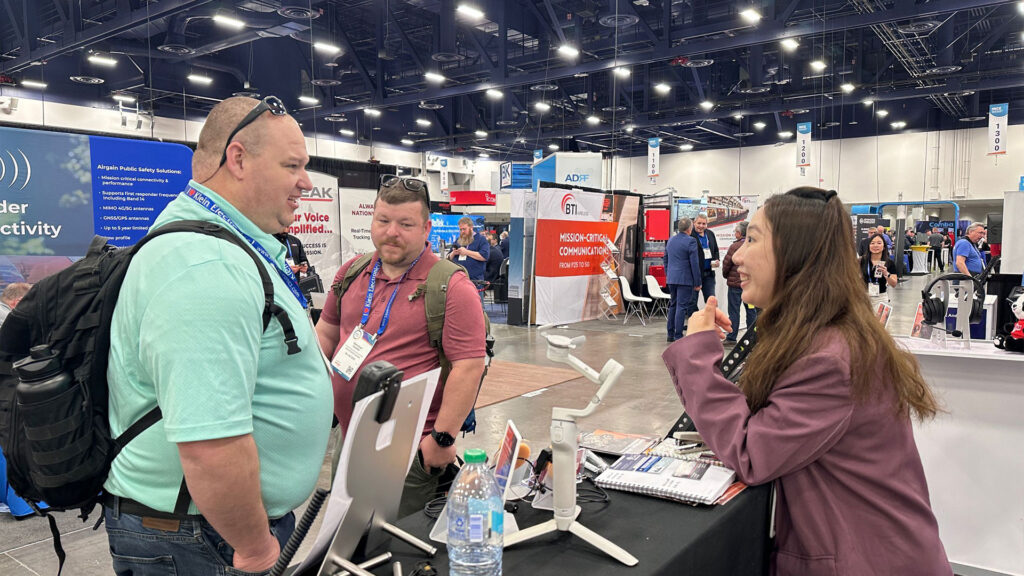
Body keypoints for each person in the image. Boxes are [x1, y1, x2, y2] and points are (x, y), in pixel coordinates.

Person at [662, 187, 951, 576]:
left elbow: (752, 451)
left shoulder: (829, 359)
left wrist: (696, 353)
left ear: (794, 254)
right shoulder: (820, 335)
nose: (739, 256)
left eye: (752, 239)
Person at [103, 96, 334, 575]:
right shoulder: (204, 266)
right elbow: (211, 445)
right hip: (205, 538)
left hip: (210, 530)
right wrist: (254, 547)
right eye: (292, 165)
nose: (306, 182)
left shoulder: (227, 246)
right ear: (238, 158)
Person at [316, 176, 486, 517]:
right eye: (383, 221)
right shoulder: (352, 272)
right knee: (346, 548)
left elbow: (469, 366)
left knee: (398, 555)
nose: (391, 232)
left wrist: (440, 441)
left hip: (408, 455)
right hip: (348, 441)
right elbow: (326, 334)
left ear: (426, 228)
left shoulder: (450, 287)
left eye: (405, 224)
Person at [663, 218, 701, 342]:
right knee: (681, 306)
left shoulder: (671, 240)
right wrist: (697, 282)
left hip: (672, 278)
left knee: (673, 305)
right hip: (685, 279)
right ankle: (678, 335)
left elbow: (665, 259)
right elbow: (694, 263)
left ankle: (670, 334)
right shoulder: (691, 241)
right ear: (690, 228)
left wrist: (668, 274)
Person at [720, 222, 757, 343]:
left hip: (735, 285)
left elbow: (726, 265)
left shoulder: (734, 247)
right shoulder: (755, 245)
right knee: (751, 311)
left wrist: (727, 276)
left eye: (735, 231)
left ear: (739, 233)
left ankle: (731, 337)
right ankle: (752, 338)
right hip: (750, 286)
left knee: (734, 311)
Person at [448, 216, 490, 302]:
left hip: (475, 281)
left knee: (477, 308)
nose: (462, 232)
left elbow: (484, 256)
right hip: (458, 281)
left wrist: (466, 252)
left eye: (464, 229)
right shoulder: (458, 241)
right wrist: (453, 253)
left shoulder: (481, 240)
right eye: (460, 230)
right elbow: (448, 259)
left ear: (471, 228)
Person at [689, 213, 720, 308]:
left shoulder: (710, 234)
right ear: (694, 223)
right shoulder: (690, 235)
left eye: (704, 224)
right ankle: (694, 322)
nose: (701, 226)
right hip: (694, 275)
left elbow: (715, 250)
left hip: (709, 274)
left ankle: (710, 322)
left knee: (711, 301)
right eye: (699, 223)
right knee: (692, 303)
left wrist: (717, 259)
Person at [860, 234, 898, 308]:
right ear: (869, 246)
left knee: (879, 320)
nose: (875, 245)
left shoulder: (889, 263)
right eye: (872, 243)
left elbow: (893, 284)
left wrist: (886, 274)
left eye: (879, 243)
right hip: (863, 297)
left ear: (884, 247)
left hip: (881, 298)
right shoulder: (861, 261)